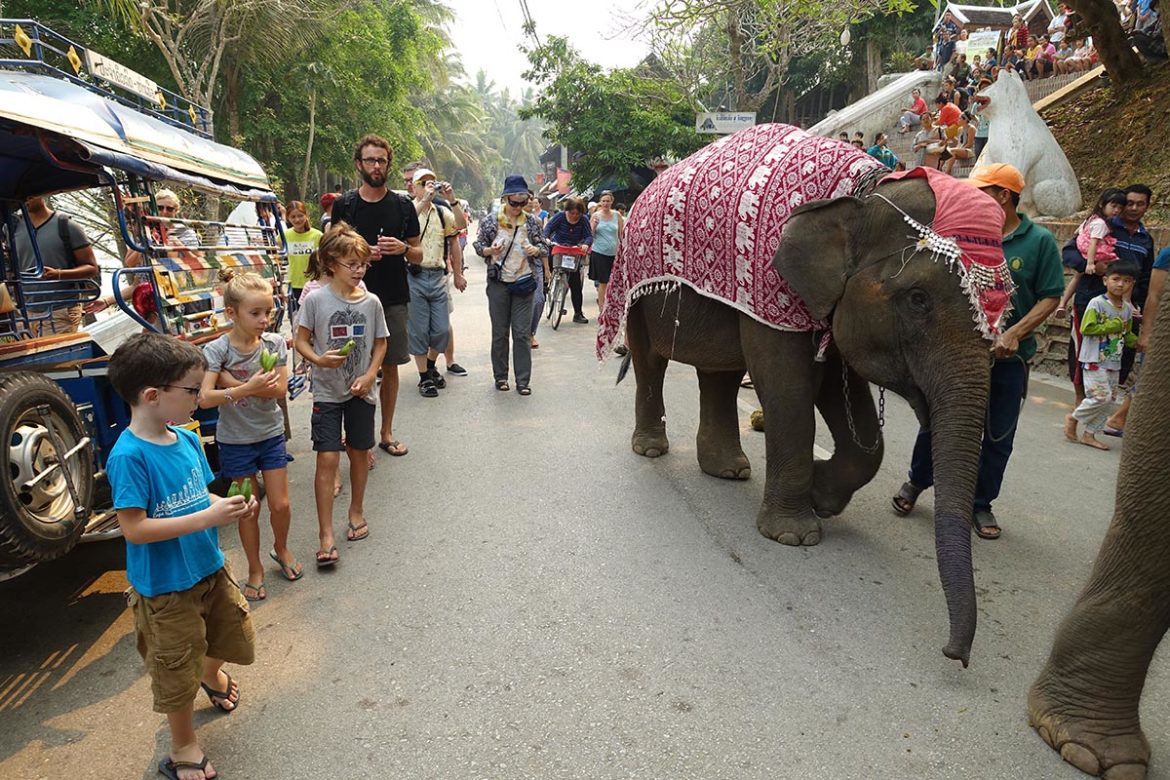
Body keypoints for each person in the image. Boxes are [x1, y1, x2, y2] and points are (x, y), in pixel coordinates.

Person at [105, 331, 256, 780]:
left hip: (209, 568)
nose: (199, 396)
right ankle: (183, 745)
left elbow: (200, 497)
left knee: (233, 636)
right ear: (152, 395)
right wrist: (206, 520)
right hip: (167, 588)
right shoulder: (129, 456)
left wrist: (224, 506)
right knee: (175, 668)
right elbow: (134, 529)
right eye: (192, 390)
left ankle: (209, 675)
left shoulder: (185, 439)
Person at [891, 163, 1064, 540]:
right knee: (938, 423)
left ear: (1004, 196)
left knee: (998, 435)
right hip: (958, 355)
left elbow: (1052, 295)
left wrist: (1016, 331)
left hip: (1008, 358)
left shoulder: (1039, 242)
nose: (971, 197)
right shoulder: (960, 233)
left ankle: (980, 503)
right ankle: (917, 482)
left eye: (981, 191)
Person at [198, 270, 297, 601]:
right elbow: (204, 398)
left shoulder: (274, 344)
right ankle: (254, 568)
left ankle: (280, 548)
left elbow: (281, 387)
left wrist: (239, 385)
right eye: (255, 313)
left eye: (267, 312)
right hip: (235, 440)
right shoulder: (217, 350)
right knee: (248, 508)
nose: (264, 319)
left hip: (269, 434)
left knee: (281, 504)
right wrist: (246, 387)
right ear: (231, 313)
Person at [294, 224, 389, 566]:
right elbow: (301, 340)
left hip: (361, 392)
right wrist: (318, 359)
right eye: (352, 264)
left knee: (360, 452)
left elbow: (380, 343)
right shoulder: (316, 299)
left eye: (363, 264)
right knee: (327, 458)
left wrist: (368, 375)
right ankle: (325, 533)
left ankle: (357, 510)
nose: (359, 270)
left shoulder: (372, 301)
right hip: (326, 392)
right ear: (331, 263)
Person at [328, 134, 420, 458]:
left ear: (388, 164)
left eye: (381, 160)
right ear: (359, 164)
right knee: (350, 365)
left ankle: (386, 431)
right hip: (349, 297)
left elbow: (420, 253)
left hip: (392, 297)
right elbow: (329, 252)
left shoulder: (402, 205)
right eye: (370, 160)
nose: (376, 166)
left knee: (390, 365)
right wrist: (362, 254)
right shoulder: (345, 205)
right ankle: (353, 435)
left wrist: (404, 248)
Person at [474, 175, 547, 395]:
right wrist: (489, 251)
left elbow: (544, 246)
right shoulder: (491, 221)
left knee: (522, 334)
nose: (518, 207)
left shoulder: (532, 222)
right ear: (505, 199)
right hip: (499, 283)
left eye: (522, 202)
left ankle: (523, 381)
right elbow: (478, 245)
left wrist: (536, 250)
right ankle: (501, 377)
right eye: (514, 202)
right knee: (500, 332)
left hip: (524, 282)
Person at [1100, 184, 1157, 435]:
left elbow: (1147, 280)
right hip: (1099, 306)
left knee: (1122, 361)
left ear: (1147, 206)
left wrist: (1141, 311)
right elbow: (1074, 254)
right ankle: (1084, 410)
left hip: (1130, 310)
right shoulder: (1107, 227)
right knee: (1092, 358)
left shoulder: (1146, 239)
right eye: (1129, 203)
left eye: (1139, 204)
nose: (1133, 208)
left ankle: (1104, 413)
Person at [1064, 263, 1139, 450]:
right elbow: (1086, 328)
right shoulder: (1096, 303)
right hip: (1094, 360)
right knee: (1100, 397)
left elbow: (1126, 334)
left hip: (1114, 361)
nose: (1121, 284)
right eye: (1116, 279)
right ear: (1105, 280)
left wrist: (1139, 342)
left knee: (1109, 401)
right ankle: (1074, 417)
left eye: (1127, 281)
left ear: (1132, 284)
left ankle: (1089, 435)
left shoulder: (1127, 309)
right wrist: (1111, 326)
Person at [407, 167, 466, 397]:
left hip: (438, 276)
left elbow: (460, 226)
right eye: (424, 183)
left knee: (441, 330)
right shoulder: (409, 209)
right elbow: (405, 223)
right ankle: (424, 378)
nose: (429, 187)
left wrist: (452, 200)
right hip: (415, 275)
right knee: (418, 330)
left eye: (433, 182)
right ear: (414, 186)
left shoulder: (442, 213)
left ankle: (431, 365)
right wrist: (424, 200)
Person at [11, 196, 99, 334]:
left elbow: (91, 267)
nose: (26, 200)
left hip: (60, 309)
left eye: (31, 195)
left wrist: (58, 274)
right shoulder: (13, 229)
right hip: (26, 312)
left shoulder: (66, 225)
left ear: (42, 194)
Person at [1057, 188, 1126, 320]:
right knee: (1118, 265)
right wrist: (1090, 263)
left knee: (1077, 277)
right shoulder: (1101, 224)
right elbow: (1093, 243)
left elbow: (1078, 231)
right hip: (1092, 253)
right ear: (1102, 204)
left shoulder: (1092, 218)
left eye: (1120, 207)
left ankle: (1062, 303)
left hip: (1083, 247)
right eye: (1113, 206)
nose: (1116, 210)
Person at [543, 197, 594, 324]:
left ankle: (578, 313)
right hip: (558, 247)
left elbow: (589, 236)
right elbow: (548, 228)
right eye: (572, 213)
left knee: (575, 283)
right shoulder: (560, 217)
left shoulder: (583, 220)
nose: (575, 216)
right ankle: (545, 284)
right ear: (567, 211)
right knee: (548, 262)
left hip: (574, 250)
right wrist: (546, 239)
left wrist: (586, 244)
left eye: (577, 213)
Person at [283, 200, 322, 317]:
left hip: (314, 284)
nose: (297, 220)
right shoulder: (285, 235)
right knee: (295, 319)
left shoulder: (317, 235)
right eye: (293, 217)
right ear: (288, 218)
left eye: (300, 216)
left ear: (306, 215)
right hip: (294, 284)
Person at [589, 190, 623, 315]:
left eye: (608, 201)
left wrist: (623, 250)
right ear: (600, 202)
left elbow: (621, 234)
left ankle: (612, 305)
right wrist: (594, 226)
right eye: (603, 201)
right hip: (599, 252)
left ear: (612, 202)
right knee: (603, 282)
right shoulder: (596, 216)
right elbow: (590, 235)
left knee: (614, 281)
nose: (605, 203)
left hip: (614, 253)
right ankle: (602, 309)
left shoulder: (617, 215)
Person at [526, 192, 552, 349]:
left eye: (530, 200)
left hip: (535, 266)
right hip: (512, 270)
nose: (529, 202)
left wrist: (547, 269)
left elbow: (543, 246)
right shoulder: (503, 220)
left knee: (538, 300)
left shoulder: (535, 221)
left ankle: (531, 333)